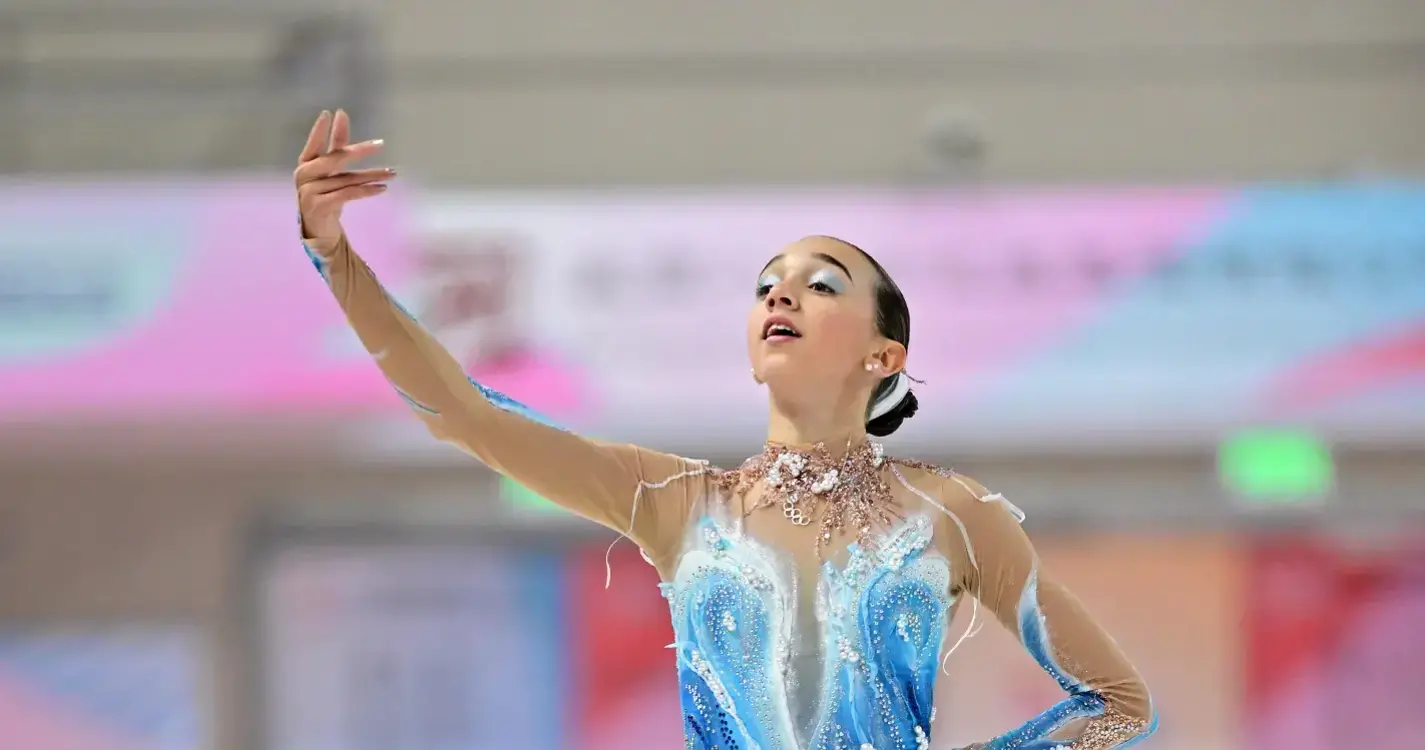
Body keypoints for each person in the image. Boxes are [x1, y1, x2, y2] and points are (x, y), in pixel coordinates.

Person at [294, 110, 1158, 750]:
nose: (779, 295)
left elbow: (1116, 703)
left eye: (820, 285)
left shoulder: (952, 514)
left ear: (883, 355)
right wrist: (334, 256)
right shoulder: (679, 503)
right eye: (766, 285)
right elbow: (470, 418)